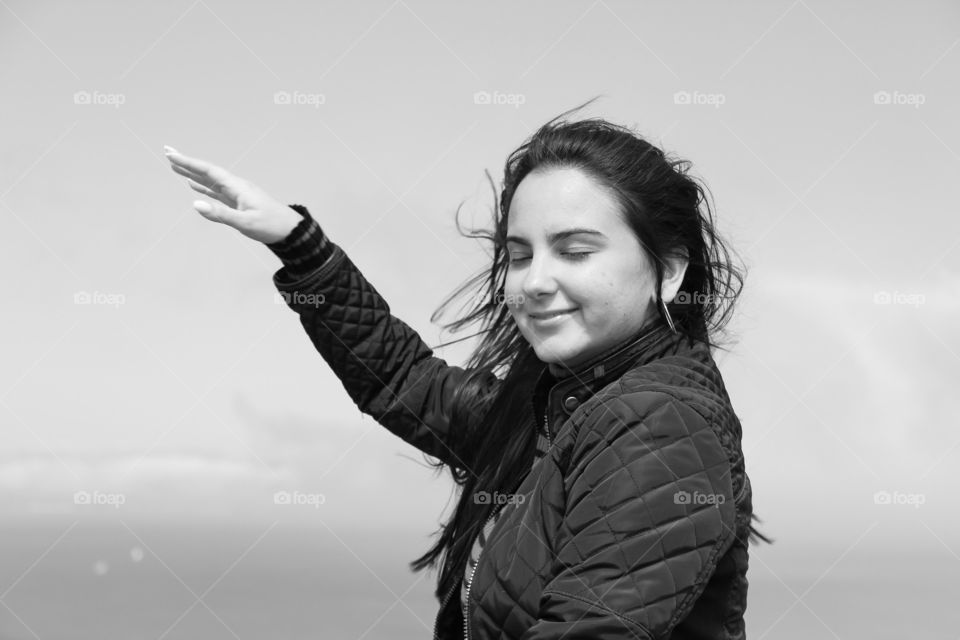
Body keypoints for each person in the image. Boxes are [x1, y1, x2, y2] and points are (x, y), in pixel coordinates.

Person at [165, 102, 772, 640]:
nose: (534, 282)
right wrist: (299, 245)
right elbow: (407, 383)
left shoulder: (656, 426)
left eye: (575, 251)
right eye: (518, 255)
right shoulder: (559, 403)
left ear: (668, 270)